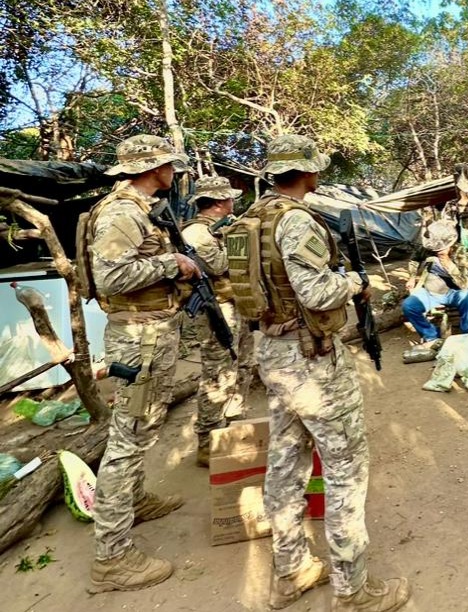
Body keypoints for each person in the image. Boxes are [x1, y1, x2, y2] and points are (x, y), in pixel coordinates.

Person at [230, 134, 410, 610]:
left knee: (286, 461)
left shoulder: (249, 221)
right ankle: (354, 592)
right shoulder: (295, 221)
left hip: (273, 352)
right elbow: (314, 291)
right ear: (309, 173)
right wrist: (354, 282)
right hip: (311, 360)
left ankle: (291, 572)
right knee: (346, 467)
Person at [85, 135, 200, 592]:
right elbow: (109, 276)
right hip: (138, 338)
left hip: (148, 333)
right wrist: (171, 264)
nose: (174, 173)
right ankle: (111, 558)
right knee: (128, 439)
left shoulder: (138, 209)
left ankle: (133, 500)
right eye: (170, 165)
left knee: (141, 428)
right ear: (156, 168)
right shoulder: (122, 212)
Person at [181, 175, 255, 466]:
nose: (233, 201)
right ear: (219, 201)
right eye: (229, 198)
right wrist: (237, 241)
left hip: (238, 305)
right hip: (217, 310)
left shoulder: (219, 228)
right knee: (217, 374)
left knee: (244, 365)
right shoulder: (197, 232)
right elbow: (220, 264)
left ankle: (235, 424)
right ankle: (207, 441)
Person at [402, 220, 468, 346]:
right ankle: (431, 336)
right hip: (429, 293)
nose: (437, 251)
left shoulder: (461, 253)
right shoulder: (427, 249)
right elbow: (414, 260)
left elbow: (465, 284)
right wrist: (412, 277)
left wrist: (448, 263)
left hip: (454, 293)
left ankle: (466, 335)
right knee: (409, 305)